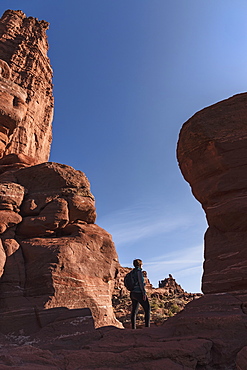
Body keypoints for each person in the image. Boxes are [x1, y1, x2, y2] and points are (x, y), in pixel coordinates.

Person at [130, 258, 150, 329]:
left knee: (134, 310)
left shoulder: (132, 272)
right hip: (138, 292)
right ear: (140, 264)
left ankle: (133, 328)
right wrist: (143, 293)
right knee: (147, 308)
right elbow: (141, 283)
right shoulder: (138, 271)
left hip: (132, 293)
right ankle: (147, 327)